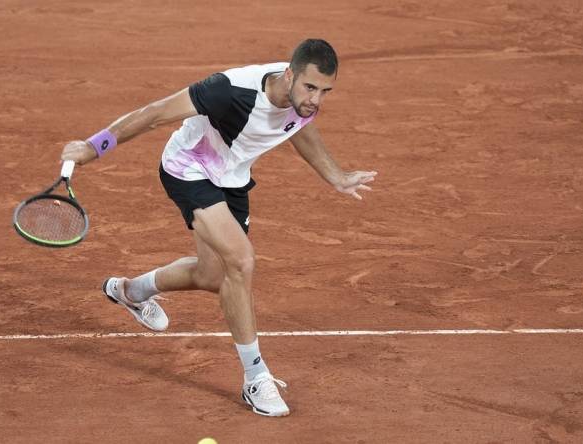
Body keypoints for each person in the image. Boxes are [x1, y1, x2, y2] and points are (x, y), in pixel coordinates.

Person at [60, 38, 377, 417]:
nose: (316, 100)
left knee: (212, 275)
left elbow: (299, 126)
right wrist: (94, 147)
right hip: (188, 169)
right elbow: (156, 112)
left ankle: (130, 291)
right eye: (310, 88)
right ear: (289, 74)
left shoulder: (300, 98)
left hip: (232, 179)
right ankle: (255, 377)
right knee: (240, 262)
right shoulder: (229, 91)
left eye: (325, 91)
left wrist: (336, 176)